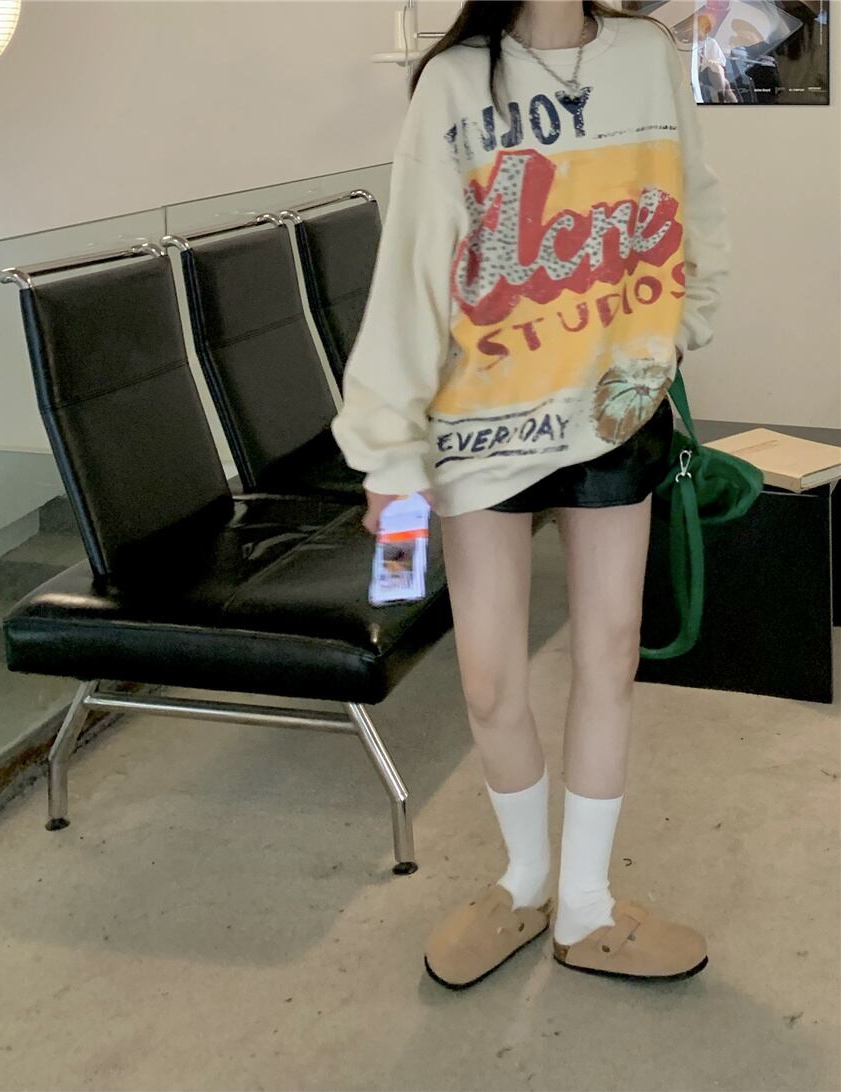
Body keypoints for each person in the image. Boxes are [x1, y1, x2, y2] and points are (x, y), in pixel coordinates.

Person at [331, 0, 729, 989]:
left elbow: (695, 198)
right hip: (481, 422)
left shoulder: (646, 55)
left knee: (610, 655)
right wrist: (389, 453)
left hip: (612, 408)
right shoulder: (455, 82)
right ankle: (525, 881)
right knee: (488, 679)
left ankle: (586, 904)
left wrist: (677, 332)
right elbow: (414, 269)